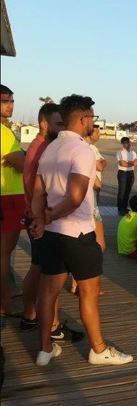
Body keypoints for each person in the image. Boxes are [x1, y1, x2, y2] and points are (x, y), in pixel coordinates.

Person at [30, 94, 132, 366]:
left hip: (51, 234)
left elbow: (39, 192)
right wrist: (49, 215)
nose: (93, 123)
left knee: (48, 292)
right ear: (84, 119)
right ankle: (98, 349)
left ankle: (45, 349)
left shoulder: (50, 148)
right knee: (89, 293)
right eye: (92, 118)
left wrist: (41, 218)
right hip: (77, 234)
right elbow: (75, 198)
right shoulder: (83, 150)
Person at [20, 103, 64, 333]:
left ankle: (30, 315)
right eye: (58, 123)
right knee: (48, 274)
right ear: (43, 124)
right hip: (41, 218)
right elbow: (40, 190)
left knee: (37, 268)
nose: (62, 128)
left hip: (34, 215)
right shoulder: (44, 149)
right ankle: (53, 327)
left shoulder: (37, 146)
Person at [0, 84, 25, 317]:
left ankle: (7, 292)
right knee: (4, 252)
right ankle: (5, 302)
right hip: (9, 196)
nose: (10, 105)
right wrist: (23, 156)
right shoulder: (4, 133)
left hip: (7, 195)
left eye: (11, 100)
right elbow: (23, 164)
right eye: (5, 100)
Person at [85, 125, 106, 252]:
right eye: (97, 132)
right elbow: (100, 166)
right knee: (93, 218)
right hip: (90, 188)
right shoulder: (87, 149)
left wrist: (100, 163)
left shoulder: (93, 148)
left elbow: (103, 163)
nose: (99, 134)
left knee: (94, 218)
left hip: (93, 188)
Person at [116, 136, 137, 216]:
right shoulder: (120, 152)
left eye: (127, 142)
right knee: (122, 191)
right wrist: (131, 163)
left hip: (131, 173)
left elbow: (136, 163)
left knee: (127, 191)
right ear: (122, 144)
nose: (126, 144)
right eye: (124, 143)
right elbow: (122, 164)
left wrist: (128, 163)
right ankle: (120, 209)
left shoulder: (133, 152)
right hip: (122, 173)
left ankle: (124, 208)